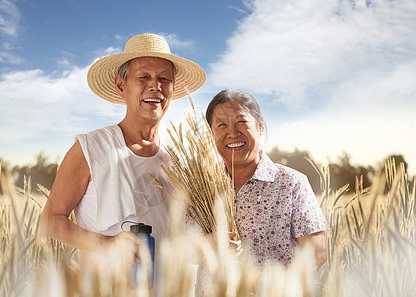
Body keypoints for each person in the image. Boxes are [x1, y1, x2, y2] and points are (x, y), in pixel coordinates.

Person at [39, 33, 206, 282]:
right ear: (120, 85)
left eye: (164, 79)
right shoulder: (91, 148)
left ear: (172, 88)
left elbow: (184, 233)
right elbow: (50, 221)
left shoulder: (178, 160)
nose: (155, 86)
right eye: (143, 77)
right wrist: (107, 245)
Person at [205, 89, 328, 269]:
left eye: (241, 121)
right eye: (222, 125)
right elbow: (179, 249)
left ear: (260, 126)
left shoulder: (292, 183)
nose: (232, 133)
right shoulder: (201, 186)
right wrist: (202, 245)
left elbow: (317, 253)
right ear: (212, 133)